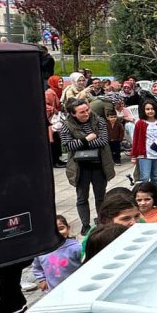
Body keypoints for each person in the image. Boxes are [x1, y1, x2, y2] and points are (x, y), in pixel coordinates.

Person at [58, 98, 115, 233]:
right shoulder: (66, 125)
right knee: (82, 198)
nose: (86, 113)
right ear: (73, 114)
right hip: (80, 167)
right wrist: (87, 139)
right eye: (82, 112)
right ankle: (85, 224)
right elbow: (68, 146)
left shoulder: (99, 120)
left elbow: (103, 141)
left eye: (87, 110)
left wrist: (79, 143)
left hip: (99, 165)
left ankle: (101, 221)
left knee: (100, 196)